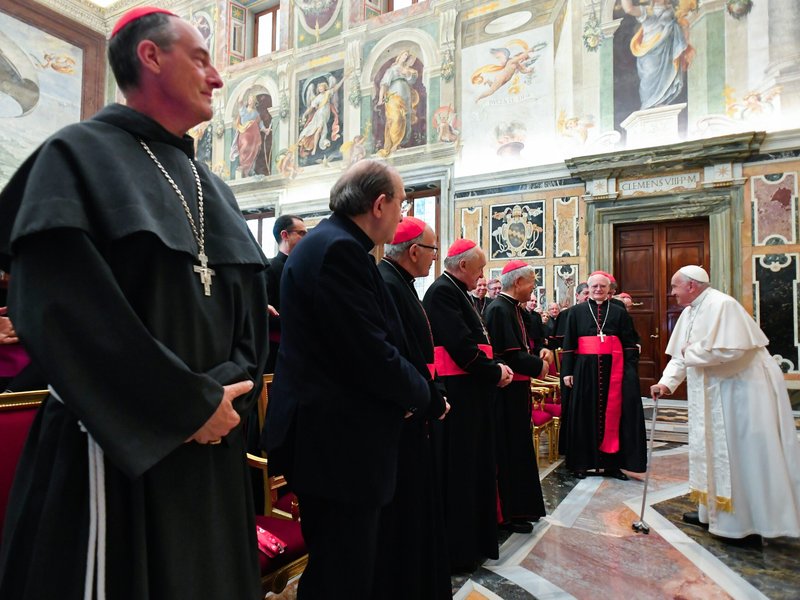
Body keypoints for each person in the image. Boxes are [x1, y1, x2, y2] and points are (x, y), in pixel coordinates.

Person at [0, 8, 270, 599]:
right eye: (201, 58)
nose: (217, 76)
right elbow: (64, 312)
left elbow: (250, 316)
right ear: (150, 57)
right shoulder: (74, 157)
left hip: (213, 450)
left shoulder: (214, 187)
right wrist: (187, 406)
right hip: (116, 450)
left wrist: (224, 401)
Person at [262, 160, 430, 598]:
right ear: (379, 204)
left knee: (342, 565)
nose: (401, 213)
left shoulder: (333, 243)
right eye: (401, 203)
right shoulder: (338, 250)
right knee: (342, 572)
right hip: (337, 443)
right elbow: (367, 353)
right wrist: (421, 391)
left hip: (334, 439)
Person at [650, 266, 800, 541]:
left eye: (675, 287)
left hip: (740, 394)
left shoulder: (723, 305)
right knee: (710, 450)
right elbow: (681, 357)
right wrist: (666, 382)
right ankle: (712, 512)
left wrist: (690, 351)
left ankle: (746, 524)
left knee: (738, 455)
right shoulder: (691, 311)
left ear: (691, 286)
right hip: (715, 392)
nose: (672, 292)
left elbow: (731, 349)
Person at [422, 239, 514, 573]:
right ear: (463, 266)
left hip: (472, 392)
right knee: (460, 472)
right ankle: (459, 550)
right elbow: (461, 346)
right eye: (480, 267)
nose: (482, 274)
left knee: (475, 467)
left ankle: (474, 542)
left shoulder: (456, 290)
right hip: (461, 394)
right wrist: (493, 372)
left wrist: (493, 370)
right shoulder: (442, 292)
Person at [375, 216, 451, 599]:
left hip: (419, 401)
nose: (434, 259)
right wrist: (427, 397)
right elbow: (396, 352)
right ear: (415, 251)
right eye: (432, 250)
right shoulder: (388, 284)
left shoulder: (401, 283)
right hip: (405, 412)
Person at [484, 260, 549, 533]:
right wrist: (539, 365)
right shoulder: (500, 308)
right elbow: (509, 354)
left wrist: (537, 356)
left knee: (519, 450)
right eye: (532, 282)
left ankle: (522, 508)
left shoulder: (513, 308)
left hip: (518, 390)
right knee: (510, 451)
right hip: (507, 393)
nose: (533, 288)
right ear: (518, 282)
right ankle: (509, 513)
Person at [561, 273, 646, 479]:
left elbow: (629, 343)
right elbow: (568, 345)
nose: (598, 289)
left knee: (614, 416)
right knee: (584, 415)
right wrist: (567, 372)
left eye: (602, 286)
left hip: (613, 371)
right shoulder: (576, 312)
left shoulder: (619, 312)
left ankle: (612, 465)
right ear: (587, 289)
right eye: (594, 286)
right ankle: (581, 464)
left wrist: (629, 371)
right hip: (584, 371)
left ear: (610, 290)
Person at [620, 0, 695, 110]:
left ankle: (661, 102)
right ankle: (649, 105)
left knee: (666, 78)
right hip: (649, 54)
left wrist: (685, 38)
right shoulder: (646, 11)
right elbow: (629, 8)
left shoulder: (673, 12)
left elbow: (683, 26)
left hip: (666, 53)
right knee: (649, 79)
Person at [265, 214, 307, 374]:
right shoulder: (270, 269)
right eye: (301, 233)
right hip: (278, 350)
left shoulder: (303, 267)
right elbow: (266, 314)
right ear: (285, 235)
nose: (306, 237)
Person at [376, 50, 420, 157]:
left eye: (407, 56)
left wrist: (408, 73)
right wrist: (380, 98)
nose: (405, 57)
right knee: (396, 118)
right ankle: (394, 143)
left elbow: (412, 80)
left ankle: (400, 143)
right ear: (399, 56)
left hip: (406, 95)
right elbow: (384, 84)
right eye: (404, 55)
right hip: (394, 96)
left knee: (406, 118)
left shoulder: (407, 69)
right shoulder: (392, 70)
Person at [297, 74, 344, 159]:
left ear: (325, 87)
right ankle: (314, 148)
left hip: (325, 114)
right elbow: (311, 108)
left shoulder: (328, 93)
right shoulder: (317, 98)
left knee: (319, 130)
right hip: (319, 115)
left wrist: (343, 78)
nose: (320, 88)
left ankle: (318, 145)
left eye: (321, 87)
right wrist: (304, 114)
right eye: (319, 87)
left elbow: (336, 87)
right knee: (317, 131)